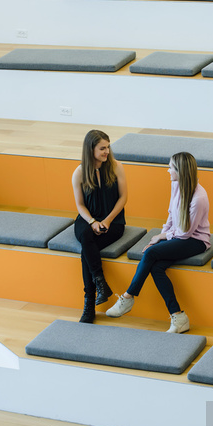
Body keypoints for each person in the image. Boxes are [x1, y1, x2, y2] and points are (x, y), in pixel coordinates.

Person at [106, 151, 210, 333]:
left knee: (150, 253)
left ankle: (128, 296)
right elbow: (171, 215)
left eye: (170, 167)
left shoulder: (199, 198)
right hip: (177, 236)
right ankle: (178, 317)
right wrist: (162, 235)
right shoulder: (176, 184)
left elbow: (186, 233)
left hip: (195, 240)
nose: (167, 171)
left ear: (180, 170)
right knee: (156, 266)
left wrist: (162, 238)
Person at [72, 129, 127, 323]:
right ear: (90, 149)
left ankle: (89, 302)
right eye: (102, 148)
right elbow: (79, 205)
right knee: (87, 238)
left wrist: (108, 220)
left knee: (86, 251)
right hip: (87, 219)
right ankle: (100, 284)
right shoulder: (79, 172)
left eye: (108, 147)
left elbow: (123, 198)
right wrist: (93, 222)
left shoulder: (116, 167)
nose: (107, 152)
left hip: (113, 221)